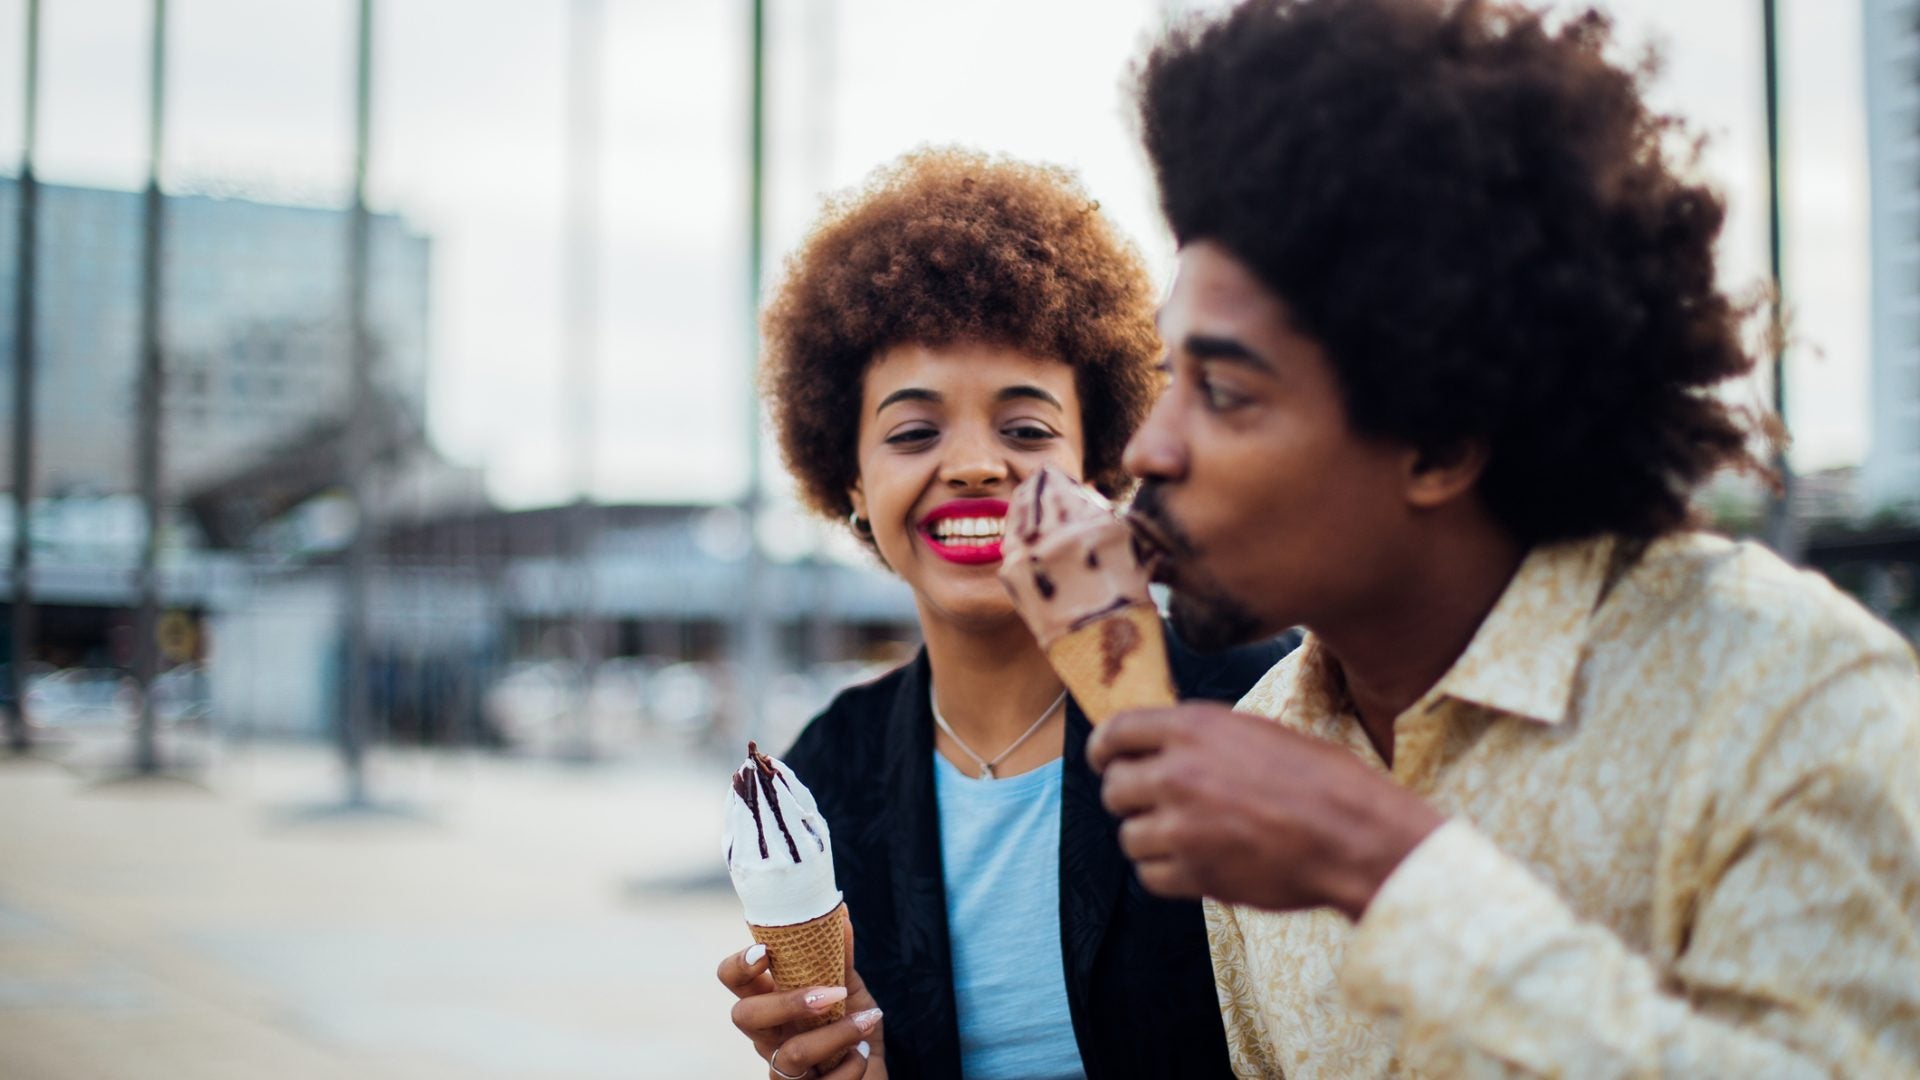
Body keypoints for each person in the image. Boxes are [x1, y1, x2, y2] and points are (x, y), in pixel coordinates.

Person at [1084, 0, 1920, 1076]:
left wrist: (1387, 869)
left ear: (1436, 442)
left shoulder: (1789, 695)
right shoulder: (1263, 739)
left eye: (1224, 392)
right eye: (1166, 380)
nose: (1147, 449)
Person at [713, 148, 1292, 1080]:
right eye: (913, 432)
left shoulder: (1259, 698)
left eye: (1027, 429)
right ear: (853, 482)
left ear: (1101, 469)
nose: (977, 463)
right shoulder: (833, 772)